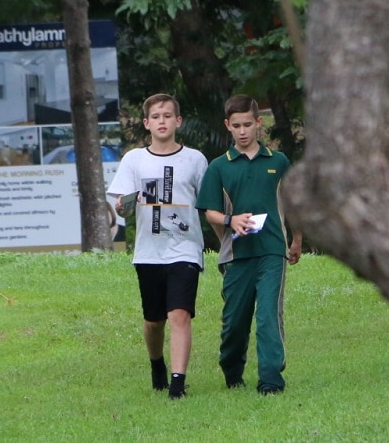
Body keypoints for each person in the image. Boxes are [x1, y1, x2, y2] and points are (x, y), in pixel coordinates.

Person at [196, 94, 302, 396]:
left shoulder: (278, 161)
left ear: (259, 123)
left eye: (248, 125)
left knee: (268, 314)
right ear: (227, 126)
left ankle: (270, 380)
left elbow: (294, 204)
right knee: (234, 323)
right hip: (236, 255)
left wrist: (297, 239)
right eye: (236, 126)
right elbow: (209, 211)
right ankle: (232, 371)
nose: (243, 131)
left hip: (272, 251)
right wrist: (232, 221)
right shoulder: (219, 167)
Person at [107, 93, 207, 399]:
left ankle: (178, 384)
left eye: (168, 116)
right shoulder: (134, 160)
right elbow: (117, 207)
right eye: (156, 117)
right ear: (146, 123)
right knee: (154, 321)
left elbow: (209, 203)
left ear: (178, 121)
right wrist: (127, 203)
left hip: (186, 249)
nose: (162, 121)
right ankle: (157, 364)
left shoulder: (195, 159)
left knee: (180, 314)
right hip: (149, 252)